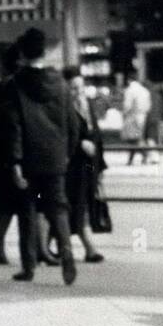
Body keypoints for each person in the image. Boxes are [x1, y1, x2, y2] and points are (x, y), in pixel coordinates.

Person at [0, 27, 81, 286]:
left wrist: (14, 162)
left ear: (22, 53)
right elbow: (73, 123)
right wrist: (66, 153)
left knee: (28, 212)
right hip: (56, 158)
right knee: (58, 209)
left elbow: (14, 126)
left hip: (28, 160)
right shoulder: (60, 84)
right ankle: (67, 252)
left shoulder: (15, 84)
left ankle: (29, 266)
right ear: (44, 52)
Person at [63, 67, 106, 264]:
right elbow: (60, 135)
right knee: (78, 206)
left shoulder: (87, 104)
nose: (78, 91)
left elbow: (97, 135)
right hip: (73, 164)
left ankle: (48, 247)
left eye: (80, 86)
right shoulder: (63, 107)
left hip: (89, 165)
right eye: (73, 87)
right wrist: (80, 144)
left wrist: (101, 166)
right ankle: (89, 248)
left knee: (82, 204)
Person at [0, 41, 24, 267]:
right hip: (7, 149)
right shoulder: (6, 87)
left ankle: (1, 242)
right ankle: (0, 242)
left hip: (6, 148)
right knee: (9, 203)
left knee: (12, 204)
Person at [121, 70, 152, 164]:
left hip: (132, 115)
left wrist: (124, 114)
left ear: (128, 80)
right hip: (143, 115)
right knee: (138, 137)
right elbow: (149, 105)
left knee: (134, 138)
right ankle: (137, 157)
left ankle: (144, 155)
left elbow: (127, 105)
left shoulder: (130, 90)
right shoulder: (144, 90)